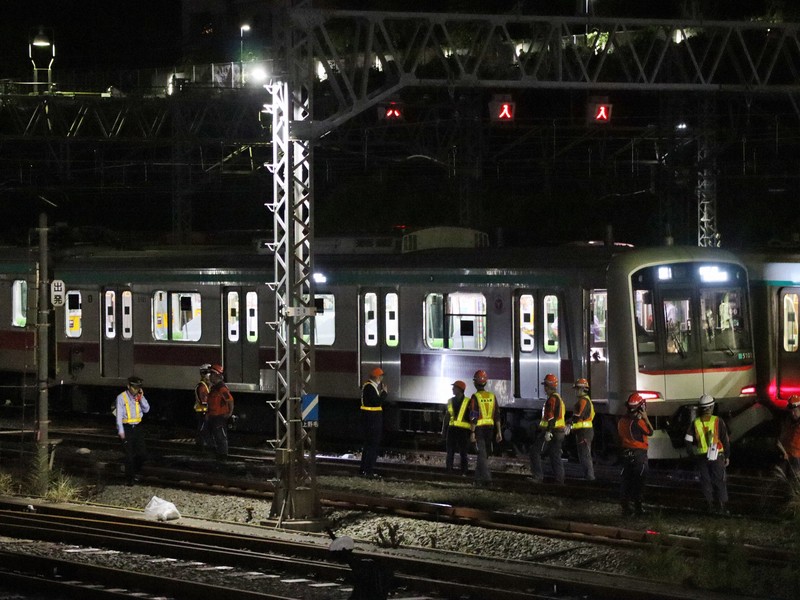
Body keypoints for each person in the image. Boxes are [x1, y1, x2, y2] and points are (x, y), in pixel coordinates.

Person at [684, 393, 730, 515]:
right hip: (717, 456)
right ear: (711, 407)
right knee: (719, 480)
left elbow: (687, 440)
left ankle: (709, 507)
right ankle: (722, 508)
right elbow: (725, 440)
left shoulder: (695, 423)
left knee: (706, 481)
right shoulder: (718, 421)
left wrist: (691, 454)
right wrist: (727, 455)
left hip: (701, 457)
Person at [617, 393, 653, 515]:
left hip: (626, 453)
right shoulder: (639, 422)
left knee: (626, 481)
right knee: (639, 481)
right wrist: (646, 418)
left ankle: (625, 508)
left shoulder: (622, 420)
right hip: (639, 454)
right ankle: (638, 508)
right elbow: (650, 432)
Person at [530, 373, 566, 484]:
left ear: (548, 386)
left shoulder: (551, 400)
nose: (544, 389)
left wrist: (548, 432)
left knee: (535, 451)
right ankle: (560, 480)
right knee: (555, 455)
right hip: (559, 431)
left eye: (545, 386)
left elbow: (551, 417)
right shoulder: (558, 398)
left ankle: (538, 476)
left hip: (552, 431)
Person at [468, 370, 502, 487]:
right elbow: (497, 415)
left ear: (475, 383)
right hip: (490, 429)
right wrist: (499, 432)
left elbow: (474, 416)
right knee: (483, 454)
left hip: (479, 430)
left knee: (482, 454)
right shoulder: (492, 396)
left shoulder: (475, 397)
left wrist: (472, 432)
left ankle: (488, 480)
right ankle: (477, 481)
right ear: (485, 382)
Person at [115, 375, 150, 486]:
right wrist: (121, 431)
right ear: (128, 386)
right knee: (129, 455)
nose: (136, 390)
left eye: (138, 387)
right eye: (134, 387)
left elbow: (147, 409)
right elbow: (119, 416)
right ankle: (130, 479)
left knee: (142, 454)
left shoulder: (139, 397)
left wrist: (141, 399)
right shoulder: (121, 398)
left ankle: (134, 471)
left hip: (138, 428)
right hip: (126, 428)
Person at [360, 367, 388, 479]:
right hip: (372, 421)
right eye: (381, 376)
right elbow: (376, 402)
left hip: (370, 420)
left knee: (368, 445)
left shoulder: (369, 386)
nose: (381, 379)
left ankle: (364, 470)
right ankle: (368, 471)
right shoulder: (370, 387)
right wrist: (384, 393)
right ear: (377, 377)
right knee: (372, 445)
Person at [206, 364, 234, 460]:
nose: (210, 376)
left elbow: (230, 400)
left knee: (220, 437)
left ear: (216, 375)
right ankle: (218, 454)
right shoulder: (214, 388)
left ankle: (223, 456)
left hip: (219, 417)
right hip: (213, 416)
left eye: (211, 374)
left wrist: (229, 413)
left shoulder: (221, 389)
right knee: (215, 436)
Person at [569, 378, 596, 481]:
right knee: (584, 454)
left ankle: (590, 477)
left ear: (582, 389)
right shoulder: (585, 400)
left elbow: (578, 416)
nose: (576, 391)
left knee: (585, 455)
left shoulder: (583, 401)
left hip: (584, 432)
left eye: (577, 389)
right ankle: (588, 477)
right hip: (584, 432)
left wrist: (569, 424)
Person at [444, 380, 471, 475]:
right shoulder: (450, 401)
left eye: (454, 387)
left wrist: (472, 432)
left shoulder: (468, 402)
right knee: (450, 451)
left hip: (463, 431)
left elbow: (472, 417)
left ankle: (463, 471)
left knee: (463, 452)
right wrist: (444, 430)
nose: (452, 389)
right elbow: (447, 416)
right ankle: (450, 471)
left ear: (460, 389)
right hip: (452, 429)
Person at [779, 395, 800, 475]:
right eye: (791, 411)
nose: (792, 413)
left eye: (795, 411)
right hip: (786, 457)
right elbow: (783, 437)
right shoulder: (788, 421)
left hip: (797, 459)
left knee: (794, 478)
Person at [193, 363, 212, 448]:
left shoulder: (206, 386)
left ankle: (203, 442)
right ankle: (201, 443)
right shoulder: (201, 386)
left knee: (205, 427)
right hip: (202, 411)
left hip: (205, 410)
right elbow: (203, 401)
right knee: (203, 428)